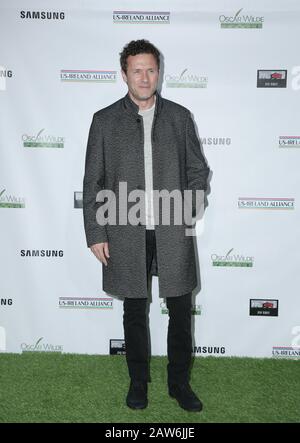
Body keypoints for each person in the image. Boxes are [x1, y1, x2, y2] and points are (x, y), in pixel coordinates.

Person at [83, 39, 210, 412]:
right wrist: (96, 233)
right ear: (124, 74)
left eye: (150, 69)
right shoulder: (104, 121)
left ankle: (179, 383)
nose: (144, 77)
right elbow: (93, 182)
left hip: (172, 229)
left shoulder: (180, 117)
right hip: (124, 230)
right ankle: (138, 382)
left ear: (159, 72)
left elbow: (198, 172)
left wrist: (189, 208)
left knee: (181, 311)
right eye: (136, 70)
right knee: (135, 311)